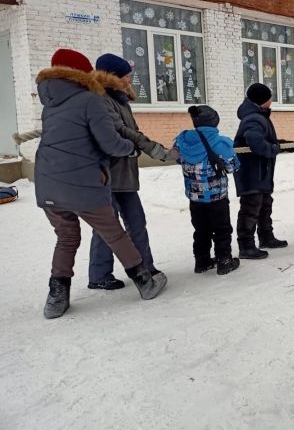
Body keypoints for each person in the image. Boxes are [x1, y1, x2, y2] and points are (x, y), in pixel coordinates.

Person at [36, 49, 166, 319]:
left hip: (48, 183)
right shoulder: (90, 100)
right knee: (114, 233)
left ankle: (56, 297)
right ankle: (145, 280)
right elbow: (108, 141)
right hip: (83, 182)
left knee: (66, 238)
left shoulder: (50, 104)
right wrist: (130, 149)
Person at [88, 54, 174, 290]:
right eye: (126, 75)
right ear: (112, 76)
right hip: (107, 174)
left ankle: (145, 265)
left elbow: (130, 130)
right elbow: (122, 132)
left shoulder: (121, 99)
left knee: (137, 222)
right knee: (108, 228)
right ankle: (99, 275)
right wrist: (154, 149)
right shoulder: (101, 100)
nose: (129, 79)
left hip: (125, 173)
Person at [233, 83, 294, 259]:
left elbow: (268, 141)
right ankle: (246, 245)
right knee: (251, 207)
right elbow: (256, 142)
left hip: (261, 172)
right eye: (269, 97)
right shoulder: (253, 118)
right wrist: (275, 149)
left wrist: (290, 145)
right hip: (252, 173)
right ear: (263, 100)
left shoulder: (258, 116)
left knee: (265, 205)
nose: (272, 100)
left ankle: (266, 236)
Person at [175, 105, 241, 275]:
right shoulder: (220, 143)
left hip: (195, 196)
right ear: (214, 121)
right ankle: (224, 260)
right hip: (216, 196)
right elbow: (233, 166)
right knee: (222, 228)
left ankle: (202, 261)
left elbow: (178, 159)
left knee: (200, 229)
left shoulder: (182, 141)